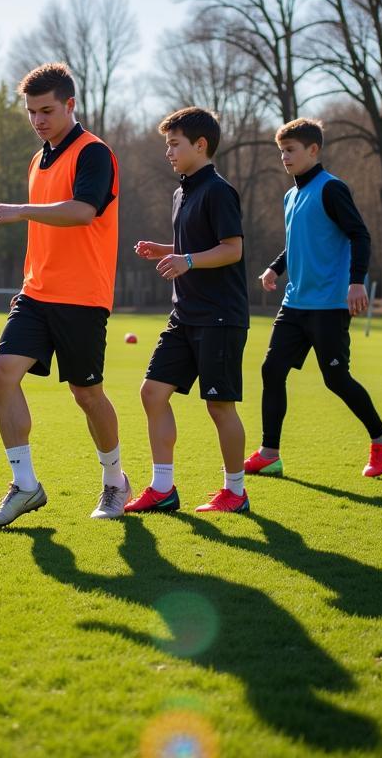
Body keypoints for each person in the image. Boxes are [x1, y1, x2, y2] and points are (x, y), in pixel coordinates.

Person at [0, 62, 128, 527]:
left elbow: (83, 212)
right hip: (36, 293)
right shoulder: (36, 159)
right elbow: (43, 238)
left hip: (83, 297)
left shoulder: (94, 153)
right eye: (31, 112)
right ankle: (25, 486)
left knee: (87, 395)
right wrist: (26, 282)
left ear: (70, 104)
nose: (39, 120)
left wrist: (21, 209)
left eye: (47, 110)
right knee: (2, 373)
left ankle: (114, 482)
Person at [244, 117, 382, 479]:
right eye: (281, 151)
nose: (284, 157)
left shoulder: (332, 189)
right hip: (294, 303)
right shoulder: (290, 195)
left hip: (329, 305)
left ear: (313, 150)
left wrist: (356, 282)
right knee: (272, 370)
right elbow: (298, 241)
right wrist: (274, 268)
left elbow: (360, 235)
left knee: (336, 379)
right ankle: (270, 453)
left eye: (291, 150)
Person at [125, 107, 251, 516]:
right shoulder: (182, 192)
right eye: (167, 144)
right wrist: (166, 251)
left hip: (220, 316)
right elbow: (194, 244)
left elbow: (232, 249)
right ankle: (163, 489)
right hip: (184, 316)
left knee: (219, 406)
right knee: (152, 393)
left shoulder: (219, 190)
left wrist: (188, 261)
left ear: (201, 145)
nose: (168, 152)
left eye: (174, 144)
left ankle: (236, 492)